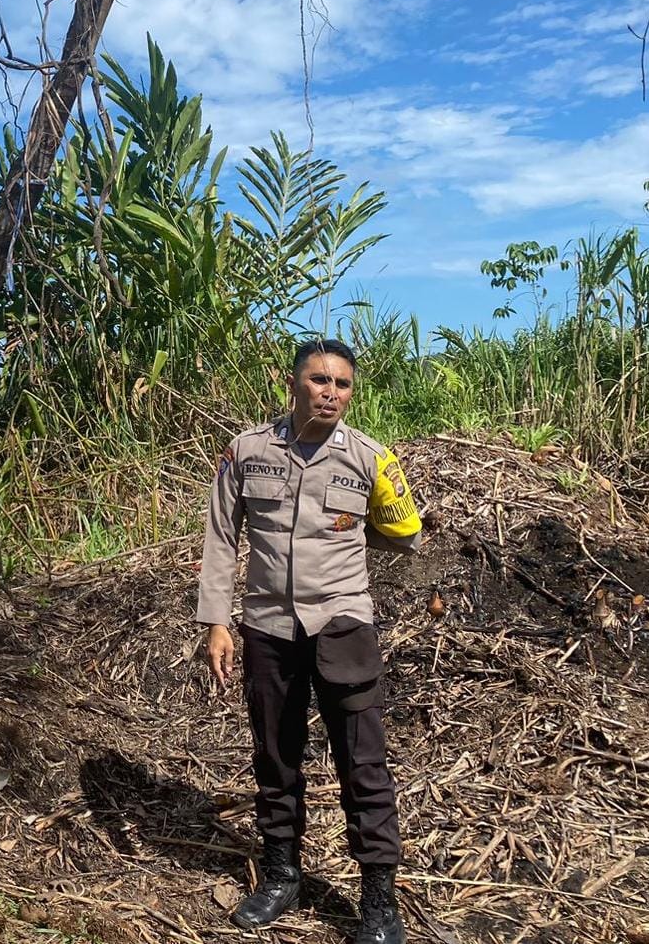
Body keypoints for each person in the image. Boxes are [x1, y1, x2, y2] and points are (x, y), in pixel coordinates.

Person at [196, 339, 421, 944]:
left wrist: (343, 552)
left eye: (343, 384)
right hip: (269, 628)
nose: (331, 392)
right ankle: (280, 875)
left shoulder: (373, 459)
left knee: (363, 764)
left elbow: (405, 533)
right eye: (320, 380)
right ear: (292, 383)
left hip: (343, 626)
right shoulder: (247, 451)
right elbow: (221, 537)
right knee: (275, 755)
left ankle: (378, 902)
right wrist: (217, 620)